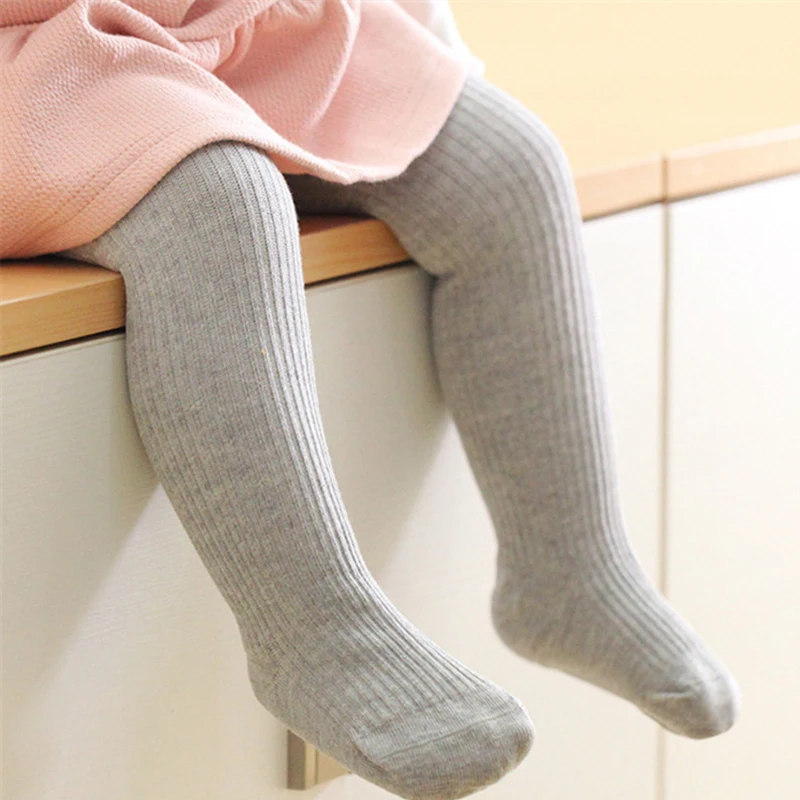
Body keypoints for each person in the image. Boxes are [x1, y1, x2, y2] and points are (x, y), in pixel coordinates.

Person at [2, 2, 739, 798]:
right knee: (221, 199)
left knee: (508, 165)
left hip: (239, 35)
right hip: (52, 66)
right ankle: (316, 634)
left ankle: (573, 570)